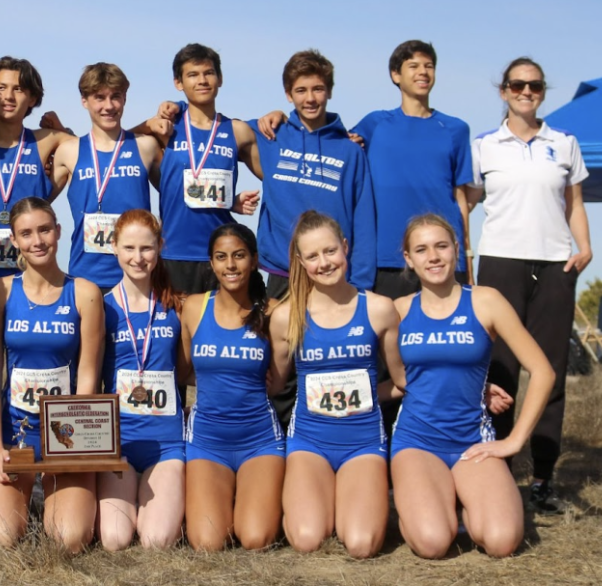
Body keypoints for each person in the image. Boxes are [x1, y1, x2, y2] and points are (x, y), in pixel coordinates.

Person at [468, 57, 593, 514]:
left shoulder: (565, 143)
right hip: (501, 263)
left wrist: (585, 246)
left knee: (551, 369)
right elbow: (466, 201)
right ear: (503, 91)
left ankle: (542, 478)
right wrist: (465, 254)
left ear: (543, 91)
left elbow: (574, 202)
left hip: (557, 264)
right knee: (500, 370)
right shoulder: (484, 145)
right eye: (518, 85)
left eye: (535, 85)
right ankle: (497, 469)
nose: (526, 91)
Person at [391, 214, 554, 558]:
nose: (433, 256)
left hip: (473, 442)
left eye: (441, 246)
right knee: (433, 543)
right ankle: (428, 503)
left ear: (457, 250)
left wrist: (514, 440)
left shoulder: (486, 301)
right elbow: (393, 380)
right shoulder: (397, 311)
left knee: (501, 541)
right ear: (408, 258)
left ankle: (461, 501)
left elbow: (543, 372)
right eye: (421, 249)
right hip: (417, 443)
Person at [269, 210, 404, 558]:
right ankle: (320, 497)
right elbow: (271, 385)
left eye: (330, 251)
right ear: (300, 261)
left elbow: (404, 382)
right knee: (307, 538)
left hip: (363, 443)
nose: (324, 263)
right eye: (312, 256)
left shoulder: (379, 309)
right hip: (309, 442)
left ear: (345, 247)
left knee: (361, 544)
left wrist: (369, 395)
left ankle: (350, 497)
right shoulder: (287, 316)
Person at [0, 197, 103, 553]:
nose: (37, 241)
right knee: (5, 536)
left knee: (70, 539)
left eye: (44, 230)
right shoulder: (1, 291)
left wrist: (76, 446)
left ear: (59, 232)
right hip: (15, 435)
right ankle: (31, 490)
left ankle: (47, 490)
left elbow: (87, 377)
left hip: (63, 435)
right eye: (26, 233)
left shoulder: (84, 293)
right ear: (15, 241)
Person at [179, 223, 286, 551]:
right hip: (207, 443)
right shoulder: (195, 308)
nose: (230, 265)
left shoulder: (272, 313)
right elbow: (184, 373)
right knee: (208, 542)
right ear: (211, 263)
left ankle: (255, 496)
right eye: (221, 257)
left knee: (255, 538)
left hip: (259, 441)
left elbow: (277, 383)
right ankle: (224, 494)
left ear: (254, 260)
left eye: (239, 256)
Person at [351, 40, 474, 298]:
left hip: (442, 257)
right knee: (390, 337)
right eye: (414, 66)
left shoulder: (456, 130)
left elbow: (461, 199)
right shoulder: (374, 124)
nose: (423, 72)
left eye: (429, 66)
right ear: (396, 75)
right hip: (388, 259)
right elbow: (332, 142)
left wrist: (467, 260)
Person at [96, 210, 185, 551]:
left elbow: (189, 368)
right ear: (114, 247)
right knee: (115, 539)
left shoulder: (177, 306)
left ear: (160, 247)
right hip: (117, 443)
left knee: (155, 540)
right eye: (129, 248)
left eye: (146, 248)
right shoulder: (101, 308)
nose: (138, 258)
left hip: (166, 444)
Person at [254, 50, 375, 298]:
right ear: (288, 95)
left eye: (318, 89)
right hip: (283, 274)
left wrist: (362, 284)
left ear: (329, 91)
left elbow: (363, 221)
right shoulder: (271, 136)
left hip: (334, 275)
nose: (310, 98)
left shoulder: (350, 151)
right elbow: (214, 126)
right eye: (301, 90)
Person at [150, 44, 261, 294]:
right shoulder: (167, 127)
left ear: (219, 79)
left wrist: (229, 201)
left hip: (223, 256)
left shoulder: (237, 130)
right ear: (178, 82)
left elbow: (275, 177)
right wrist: (150, 121)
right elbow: (121, 141)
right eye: (192, 75)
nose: (202, 80)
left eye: (208, 73)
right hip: (174, 254)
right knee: (179, 333)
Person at [52, 63, 161, 291]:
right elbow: (37, 203)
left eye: (116, 97)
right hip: (87, 277)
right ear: (84, 100)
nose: (109, 106)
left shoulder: (146, 146)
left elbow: (175, 196)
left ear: (125, 98)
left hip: (138, 274)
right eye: (99, 97)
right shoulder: (69, 151)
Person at [0, 56, 74, 287]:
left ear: (33, 98)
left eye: (18, 89)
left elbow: (99, 149)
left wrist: (62, 129)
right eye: (1, 88)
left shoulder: (45, 141)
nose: (8, 96)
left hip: (29, 273)